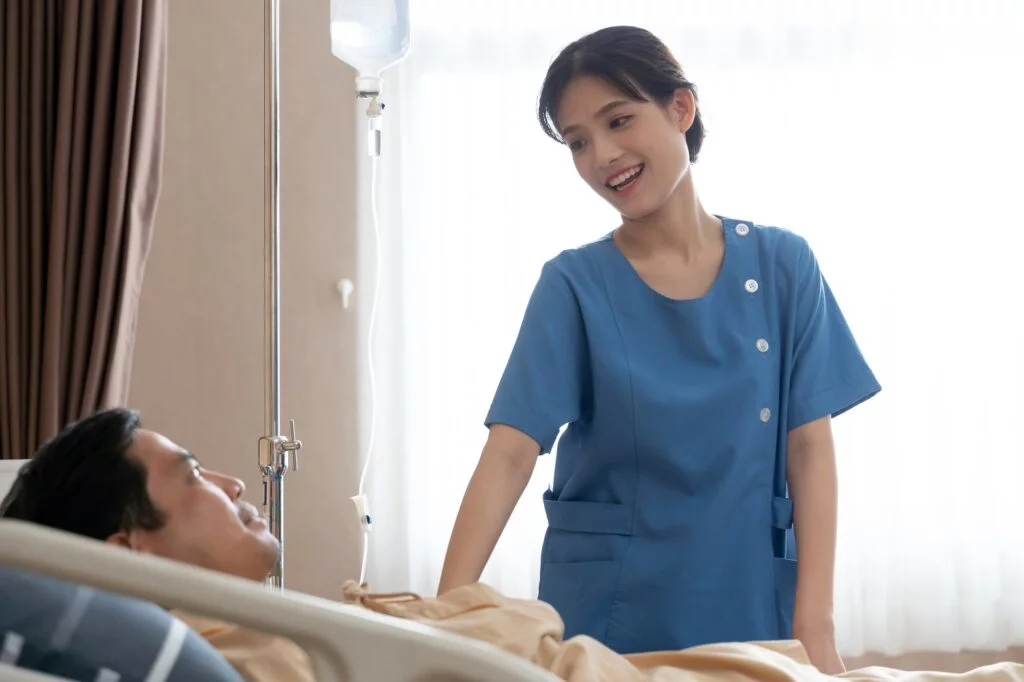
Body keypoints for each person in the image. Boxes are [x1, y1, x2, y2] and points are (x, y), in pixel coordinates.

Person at [437, 25, 882, 673]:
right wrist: (443, 617)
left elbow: (810, 448)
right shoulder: (575, 286)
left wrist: (816, 626)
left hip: (750, 601)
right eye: (578, 141)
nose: (602, 155)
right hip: (613, 616)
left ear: (681, 108)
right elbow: (509, 452)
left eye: (619, 120)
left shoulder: (785, 266)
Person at [4, 409, 1024, 682]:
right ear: (128, 548)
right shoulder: (266, 655)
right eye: (190, 476)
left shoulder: (303, 632)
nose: (231, 480)